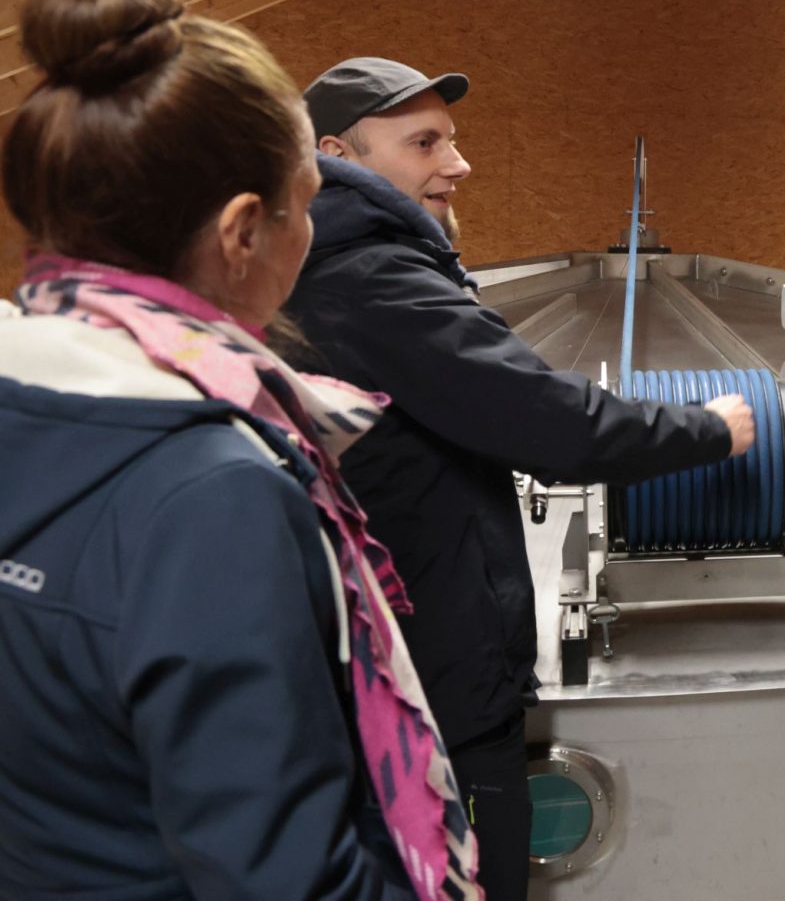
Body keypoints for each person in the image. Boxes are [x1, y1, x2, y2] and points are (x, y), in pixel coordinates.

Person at [0, 0, 477, 898]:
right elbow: (282, 873)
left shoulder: (30, 394)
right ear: (243, 231)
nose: (313, 233)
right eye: (310, 206)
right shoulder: (215, 492)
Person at [286, 57, 756, 900]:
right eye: (424, 143)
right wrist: (711, 430)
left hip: (398, 656)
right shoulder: (372, 277)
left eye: (453, 140)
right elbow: (549, 425)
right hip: (435, 684)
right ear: (336, 154)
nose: (458, 164)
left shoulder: (335, 259)